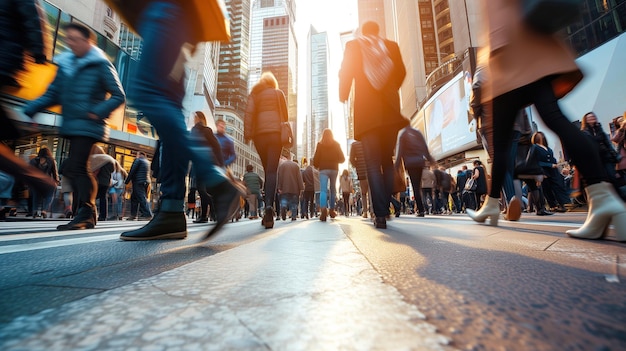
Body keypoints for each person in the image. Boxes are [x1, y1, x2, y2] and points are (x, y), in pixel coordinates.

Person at [470, 0, 625, 242]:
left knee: (506, 141)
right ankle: (602, 198)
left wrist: (498, 40)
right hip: (528, 43)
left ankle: (604, 200)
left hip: (509, 50)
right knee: (553, 118)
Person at [106, 0, 243, 241]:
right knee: (167, 108)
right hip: (173, 18)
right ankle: (171, 211)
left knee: (149, 93)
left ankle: (216, 183)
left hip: (163, 11)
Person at [24, 22, 125, 230]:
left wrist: (97, 112)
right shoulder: (67, 64)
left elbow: (118, 95)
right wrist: (31, 108)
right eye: (67, 39)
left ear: (87, 41)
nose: (70, 43)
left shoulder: (100, 64)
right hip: (72, 124)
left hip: (89, 124)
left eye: (74, 39)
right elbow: (53, 93)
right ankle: (86, 212)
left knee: (77, 167)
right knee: (73, 168)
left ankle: (87, 213)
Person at [339, 21, 408, 229]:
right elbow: (402, 73)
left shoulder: (354, 46)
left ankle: (379, 213)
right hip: (389, 111)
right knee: (387, 160)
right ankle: (384, 208)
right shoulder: (391, 46)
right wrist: (389, 89)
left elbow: (345, 72)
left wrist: (343, 94)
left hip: (367, 112)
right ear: (378, 30)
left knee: (371, 162)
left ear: (363, 32)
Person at [0, 0, 58, 203]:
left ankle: (40, 182)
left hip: (4, 59)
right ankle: (40, 182)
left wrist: (39, 50)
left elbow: (33, 13)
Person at [244, 71, 287, 229]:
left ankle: (267, 209)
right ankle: (269, 206)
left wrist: (248, 134)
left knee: (266, 169)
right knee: (271, 171)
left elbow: (249, 114)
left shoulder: (255, 94)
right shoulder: (278, 93)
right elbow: (286, 116)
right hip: (276, 135)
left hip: (259, 136)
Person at [190, 111, 224, 223]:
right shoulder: (194, 131)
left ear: (199, 118)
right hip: (200, 164)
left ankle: (210, 213)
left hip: (207, 163)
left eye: (195, 117)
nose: (193, 119)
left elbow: (216, 147)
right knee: (202, 190)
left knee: (204, 190)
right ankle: (206, 215)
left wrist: (220, 163)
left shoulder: (206, 130)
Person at [395, 125, 436, 217]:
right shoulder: (417, 132)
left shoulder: (402, 133)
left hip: (410, 163)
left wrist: (396, 166)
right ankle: (421, 209)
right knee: (418, 186)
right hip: (419, 162)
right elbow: (424, 147)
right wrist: (430, 159)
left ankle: (421, 210)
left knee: (415, 186)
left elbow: (399, 151)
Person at [581, 112, 620, 192]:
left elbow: (607, 143)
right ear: (586, 120)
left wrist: (613, 154)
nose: (592, 118)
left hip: (606, 156)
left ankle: (618, 194)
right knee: (603, 179)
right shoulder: (584, 132)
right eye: (590, 117)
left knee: (612, 176)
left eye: (593, 117)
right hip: (595, 159)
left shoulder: (600, 129)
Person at [532, 131, 569, 213]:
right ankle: (553, 205)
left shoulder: (548, 149)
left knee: (558, 186)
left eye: (542, 135)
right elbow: (535, 161)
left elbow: (553, 159)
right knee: (547, 189)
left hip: (553, 171)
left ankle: (563, 204)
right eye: (538, 136)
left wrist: (558, 166)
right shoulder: (534, 147)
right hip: (543, 170)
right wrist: (549, 165)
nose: (541, 137)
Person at [313, 129, 345, 221]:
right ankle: (332, 210)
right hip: (334, 169)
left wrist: (318, 164)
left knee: (323, 190)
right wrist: (335, 160)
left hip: (323, 169)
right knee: (332, 189)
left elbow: (315, 160)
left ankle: (323, 209)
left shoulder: (320, 145)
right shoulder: (336, 144)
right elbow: (342, 159)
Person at [29, 147, 58, 218]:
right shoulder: (51, 161)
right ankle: (44, 210)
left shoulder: (33, 161)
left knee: (36, 196)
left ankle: (35, 211)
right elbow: (54, 172)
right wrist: (56, 181)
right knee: (49, 196)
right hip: (47, 182)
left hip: (36, 182)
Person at [88, 145, 115, 222]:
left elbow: (94, 169)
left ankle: (90, 213)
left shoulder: (97, 158)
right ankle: (103, 215)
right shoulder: (109, 159)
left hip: (98, 181)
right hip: (106, 182)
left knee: (92, 197)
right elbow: (112, 170)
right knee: (103, 198)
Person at [125, 151, 152, 220]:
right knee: (134, 198)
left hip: (138, 181)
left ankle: (148, 214)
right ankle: (133, 215)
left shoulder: (138, 160)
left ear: (139, 155)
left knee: (141, 198)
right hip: (146, 181)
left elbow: (132, 171)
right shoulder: (147, 162)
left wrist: (127, 181)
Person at [277, 157, 303, 221]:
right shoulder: (296, 165)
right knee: (294, 203)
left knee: (284, 199)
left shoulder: (281, 166)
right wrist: (301, 188)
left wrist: (279, 187)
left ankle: (283, 206)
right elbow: (299, 177)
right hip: (295, 188)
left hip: (284, 188)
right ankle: (293, 216)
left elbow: (279, 177)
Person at [349, 141, 370, 218]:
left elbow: (351, 159)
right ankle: (373, 211)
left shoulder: (354, 144)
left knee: (363, 193)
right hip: (370, 168)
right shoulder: (369, 141)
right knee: (371, 192)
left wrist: (357, 165)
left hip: (361, 170)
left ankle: (365, 212)